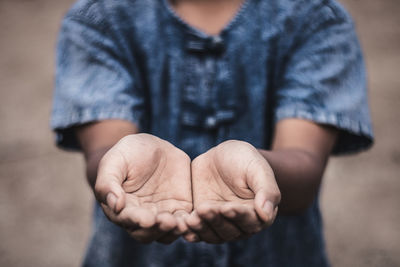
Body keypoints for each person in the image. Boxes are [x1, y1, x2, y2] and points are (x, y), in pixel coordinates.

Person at [51, 0, 373, 266]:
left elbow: (304, 167)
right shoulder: (99, 19)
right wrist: (118, 164)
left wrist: (257, 168)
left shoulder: (315, 19)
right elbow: (103, 152)